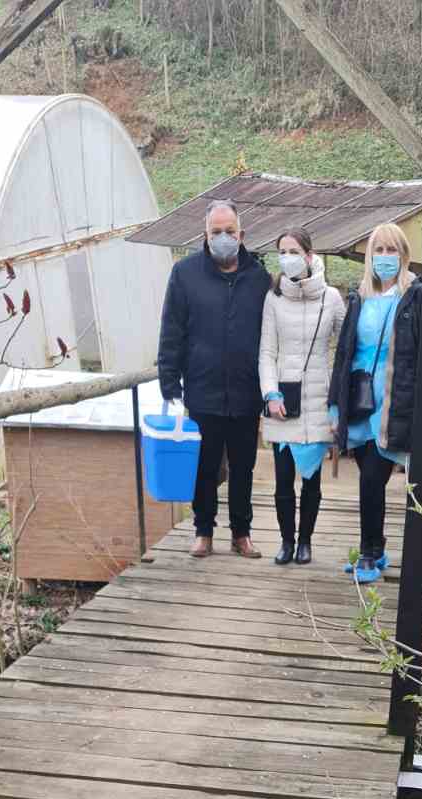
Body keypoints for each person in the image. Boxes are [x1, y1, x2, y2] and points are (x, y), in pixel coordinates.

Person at [157, 200, 270, 558]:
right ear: (204, 235)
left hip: (246, 390)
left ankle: (241, 532)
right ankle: (203, 530)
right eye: (216, 231)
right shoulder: (185, 274)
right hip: (202, 388)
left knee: (243, 467)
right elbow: (171, 330)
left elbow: (271, 337)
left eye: (229, 231)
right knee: (204, 465)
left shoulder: (259, 278)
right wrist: (169, 381)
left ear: (241, 234)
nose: (223, 237)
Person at [328, 222, 422, 583]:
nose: (385, 257)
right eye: (379, 250)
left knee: (372, 477)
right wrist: (335, 405)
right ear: (370, 256)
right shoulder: (360, 297)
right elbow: (344, 353)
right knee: (367, 480)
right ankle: (375, 549)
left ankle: (368, 554)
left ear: (403, 254)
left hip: (392, 398)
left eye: (391, 250)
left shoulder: (414, 295)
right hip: (359, 397)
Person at [259, 230, 345, 566]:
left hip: (318, 401)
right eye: (282, 251)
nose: (287, 258)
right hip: (284, 401)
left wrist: (338, 395)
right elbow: (267, 352)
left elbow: (348, 345)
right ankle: (286, 541)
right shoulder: (274, 298)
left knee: (311, 479)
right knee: (283, 481)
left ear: (309, 255)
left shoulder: (331, 298)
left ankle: (306, 541)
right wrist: (271, 393)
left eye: (293, 251)